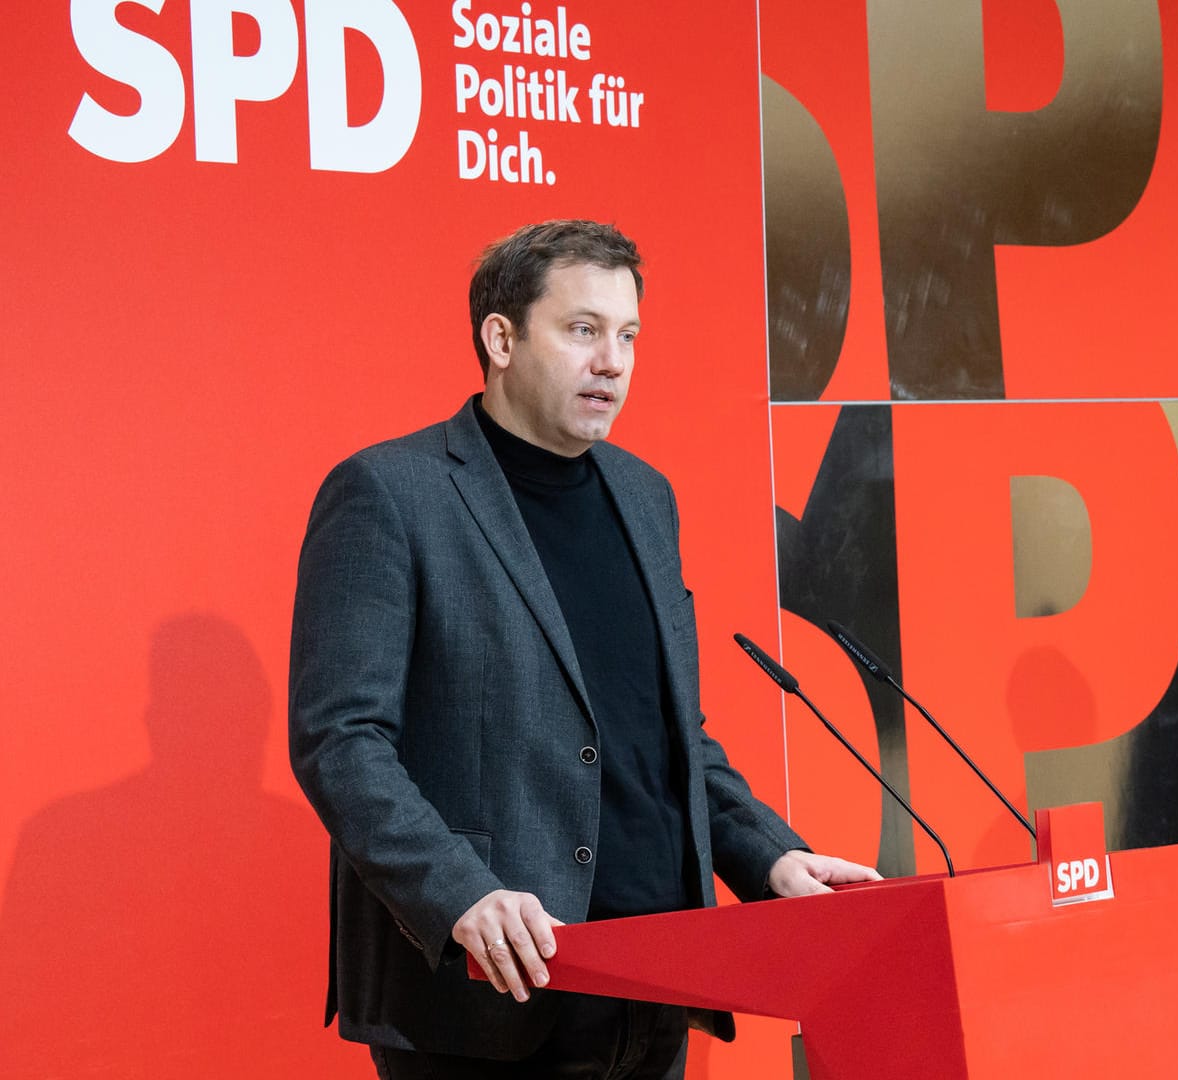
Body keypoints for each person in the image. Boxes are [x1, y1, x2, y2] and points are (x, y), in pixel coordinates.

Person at [288, 220, 880, 1079]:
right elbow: (340, 741)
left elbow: (669, 738)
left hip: (652, 989)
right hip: (489, 1000)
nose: (614, 361)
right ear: (501, 338)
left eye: (629, 335)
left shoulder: (645, 498)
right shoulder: (390, 493)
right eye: (583, 330)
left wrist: (769, 858)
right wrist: (463, 895)